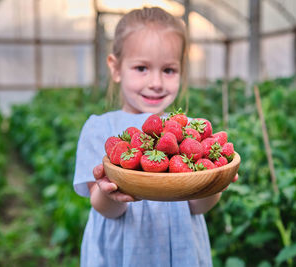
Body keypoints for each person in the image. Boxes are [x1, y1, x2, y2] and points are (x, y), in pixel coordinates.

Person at [73, 7, 236, 267]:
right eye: (141, 68)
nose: (156, 82)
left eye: (169, 70)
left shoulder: (190, 131)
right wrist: (110, 192)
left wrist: (213, 183)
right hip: (121, 250)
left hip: (179, 249)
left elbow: (198, 206)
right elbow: (104, 208)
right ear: (115, 68)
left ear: (182, 71)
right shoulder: (100, 129)